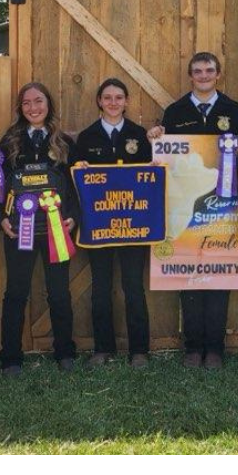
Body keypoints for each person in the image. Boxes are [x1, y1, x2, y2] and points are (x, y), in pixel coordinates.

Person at [147, 51, 238, 370]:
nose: (203, 75)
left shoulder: (234, 110)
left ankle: (215, 349)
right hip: (184, 207)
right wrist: (155, 139)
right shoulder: (175, 111)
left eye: (209, 70)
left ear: (218, 74)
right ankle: (192, 348)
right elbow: (165, 158)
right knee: (187, 276)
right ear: (190, 76)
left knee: (220, 277)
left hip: (223, 209)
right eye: (197, 71)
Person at [0, 82, 79, 375]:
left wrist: (74, 216)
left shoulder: (65, 141)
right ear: (20, 108)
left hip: (57, 229)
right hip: (20, 229)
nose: (33, 107)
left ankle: (65, 352)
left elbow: (76, 185)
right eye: (27, 103)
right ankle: (11, 357)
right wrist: (0, 217)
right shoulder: (9, 142)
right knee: (16, 292)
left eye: (39, 101)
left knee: (59, 293)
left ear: (49, 104)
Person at [75, 78, 152, 369]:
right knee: (101, 287)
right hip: (99, 226)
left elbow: (152, 178)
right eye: (107, 97)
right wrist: (79, 169)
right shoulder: (86, 138)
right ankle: (102, 348)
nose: (113, 102)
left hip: (134, 224)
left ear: (126, 101)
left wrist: (153, 170)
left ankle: (139, 350)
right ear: (99, 101)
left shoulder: (139, 135)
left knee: (133, 286)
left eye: (119, 97)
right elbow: (76, 181)